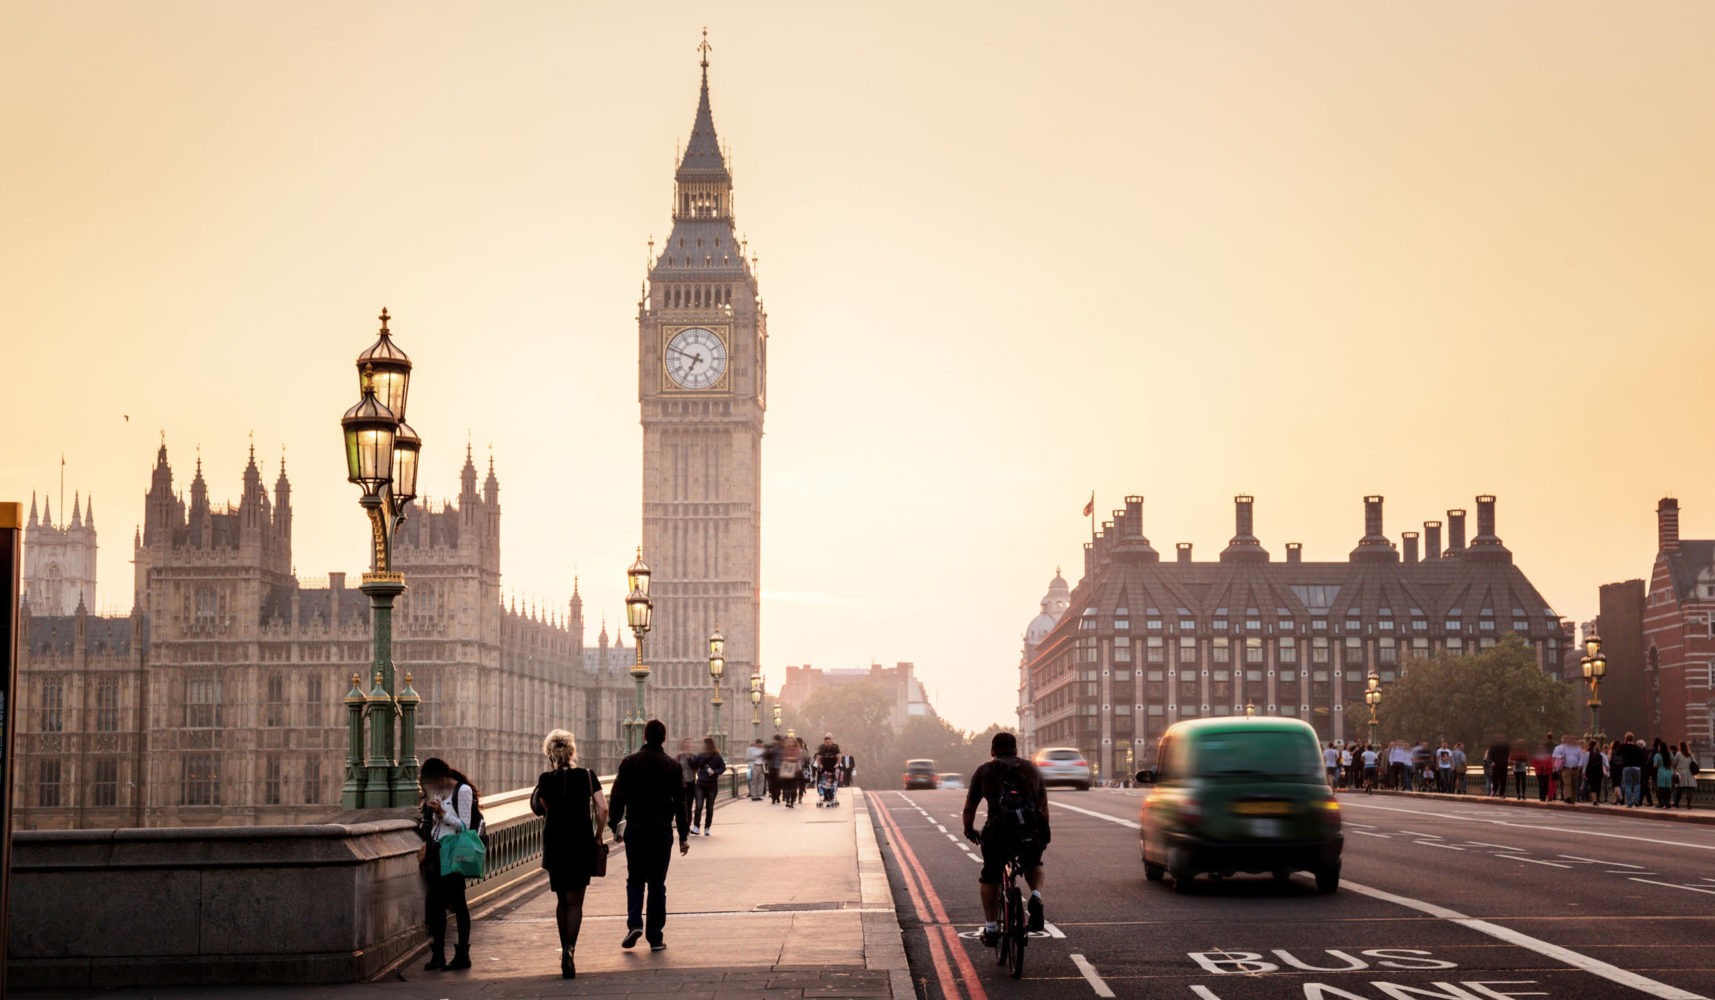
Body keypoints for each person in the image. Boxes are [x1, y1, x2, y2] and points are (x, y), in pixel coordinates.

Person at [608, 719, 692, 952]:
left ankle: (634, 923)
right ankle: (655, 936)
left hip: (636, 830)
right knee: (657, 883)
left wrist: (615, 825)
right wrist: (684, 835)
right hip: (661, 830)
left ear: (644, 737)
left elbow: (616, 797)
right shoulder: (672, 766)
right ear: (664, 739)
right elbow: (680, 803)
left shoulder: (629, 762)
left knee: (635, 879)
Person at [530, 729, 606, 979]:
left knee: (561, 901)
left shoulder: (545, 779)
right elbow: (603, 809)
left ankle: (563, 948)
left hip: (555, 843)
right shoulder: (586, 776)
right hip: (581, 842)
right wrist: (598, 835)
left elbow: (544, 810)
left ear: (549, 753)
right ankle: (570, 951)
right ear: (573, 751)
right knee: (576, 902)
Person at [962, 731, 1049, 943]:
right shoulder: (1031, 769)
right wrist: (1044, 832)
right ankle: (1035, 896)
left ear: (992, 751)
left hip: (998, 832)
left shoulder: (985, 771)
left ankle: (991, 928)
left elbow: (970, 808)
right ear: (1016, 750)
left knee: (990, 875)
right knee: (1033, 863)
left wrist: (969, 830)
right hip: (1028, 830)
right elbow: (1043, 805)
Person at [418, 757, 478, 972]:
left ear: (442, 778)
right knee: (434, 906)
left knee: (459, 906)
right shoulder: (439, 793)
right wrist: (429, 813)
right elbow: (436, 825)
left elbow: (465, 826)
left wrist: (442, 814)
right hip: (436, 852)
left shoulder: (463, 791)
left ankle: (462, 955)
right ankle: (438, 956)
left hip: (453, 853)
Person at [692, 737, 726, 834]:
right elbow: (694, 764)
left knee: (709, 807)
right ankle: (696, 827)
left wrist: (714, 772)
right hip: (701, 784)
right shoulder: (700, 756)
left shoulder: (717, 757)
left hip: (712, 785)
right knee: (698, 806)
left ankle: (707, 828)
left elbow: (723, 768)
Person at [815, 733, 843, 806]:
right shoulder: (822, 748)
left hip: (832, 767)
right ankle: (822, 794)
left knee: (833, 780)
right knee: (820, 780)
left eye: (829, 741)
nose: (827, 743)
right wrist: (820, 765)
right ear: (824, 742)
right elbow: (818, 758)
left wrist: (837, 764)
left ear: (831, 741)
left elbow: (839, 757)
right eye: (826, 741)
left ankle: (832, 795)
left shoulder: (835, 747)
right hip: (824, 767)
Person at [1651, 738, 1675, 810]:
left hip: (1661, 773)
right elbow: (1673, 763)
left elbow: (1655, 766)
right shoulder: (1670, 754)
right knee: (1668, 788)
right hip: (1669, 772)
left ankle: (1662, 802)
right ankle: (1667, 802)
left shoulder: (1657, 756)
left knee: (1661, 788)